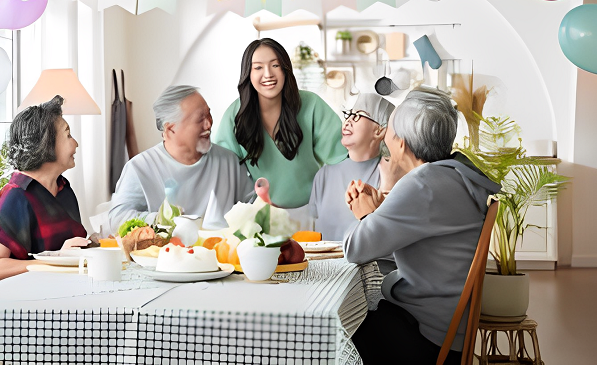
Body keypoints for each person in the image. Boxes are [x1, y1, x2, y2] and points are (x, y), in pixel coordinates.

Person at [343, 87, 501, 365]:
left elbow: (355, 249)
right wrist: (381, 209)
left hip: (427, 338)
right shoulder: (450, 176)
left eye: (389, 131)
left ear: (401, 143)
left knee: (337, 329)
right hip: (449, 330)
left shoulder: (421, 185)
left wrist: (366, 215)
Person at [214, 38, 347, 216]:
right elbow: (224, 171)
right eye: (258, 67)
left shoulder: (311, 105)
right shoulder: (235, 115)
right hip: (258, 216)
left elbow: (340, 158)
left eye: (275, 65)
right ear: (248, 73)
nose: (268, 74)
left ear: (285, 69)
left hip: (313, 211)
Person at [107, 85, 254, 235]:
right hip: (162, 256)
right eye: (199, 119)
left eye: (209, 115)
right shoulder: (140, 168)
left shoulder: (229, 161)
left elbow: (253, 208)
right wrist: (163, 219)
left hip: (221, 255)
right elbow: (117, 220)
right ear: (170, 129)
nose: (209, 124)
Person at [0, 95, 90, 283]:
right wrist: (54, 263)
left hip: (68, 292)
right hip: (29, 302)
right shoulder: (16, 197)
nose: (76, 143)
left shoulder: (64, 190)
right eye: (68, 135)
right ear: (46, 143)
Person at [309, 93, 395, 241]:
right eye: (348, 114)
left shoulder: (391, 176)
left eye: (358, 115)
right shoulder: (324, 174)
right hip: (324, 263)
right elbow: (309, 231)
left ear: (380, 131)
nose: (348, 121)